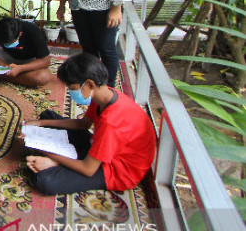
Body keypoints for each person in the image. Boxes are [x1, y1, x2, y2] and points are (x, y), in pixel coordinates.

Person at [22, 53, 156, 195]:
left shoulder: (111, 122)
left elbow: (88, 168)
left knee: (44, 180)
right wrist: (40, 123)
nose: (70, 92)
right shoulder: (105, 95)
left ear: (90, 84)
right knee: (47, 115)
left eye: (72, 88)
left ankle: (54, 163)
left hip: (117, 170)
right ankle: (56, 160)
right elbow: (83, 124)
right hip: (104, 148)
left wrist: (45, 151)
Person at [0, 17, 53, 87]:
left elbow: (45, 61)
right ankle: (10, 74)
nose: (9, 45)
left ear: (20, 34)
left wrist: (20, 68)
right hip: (5, 58)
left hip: (28, 61)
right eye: (5, 44)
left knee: (43, 77)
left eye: (12, 42)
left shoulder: (32, 30)